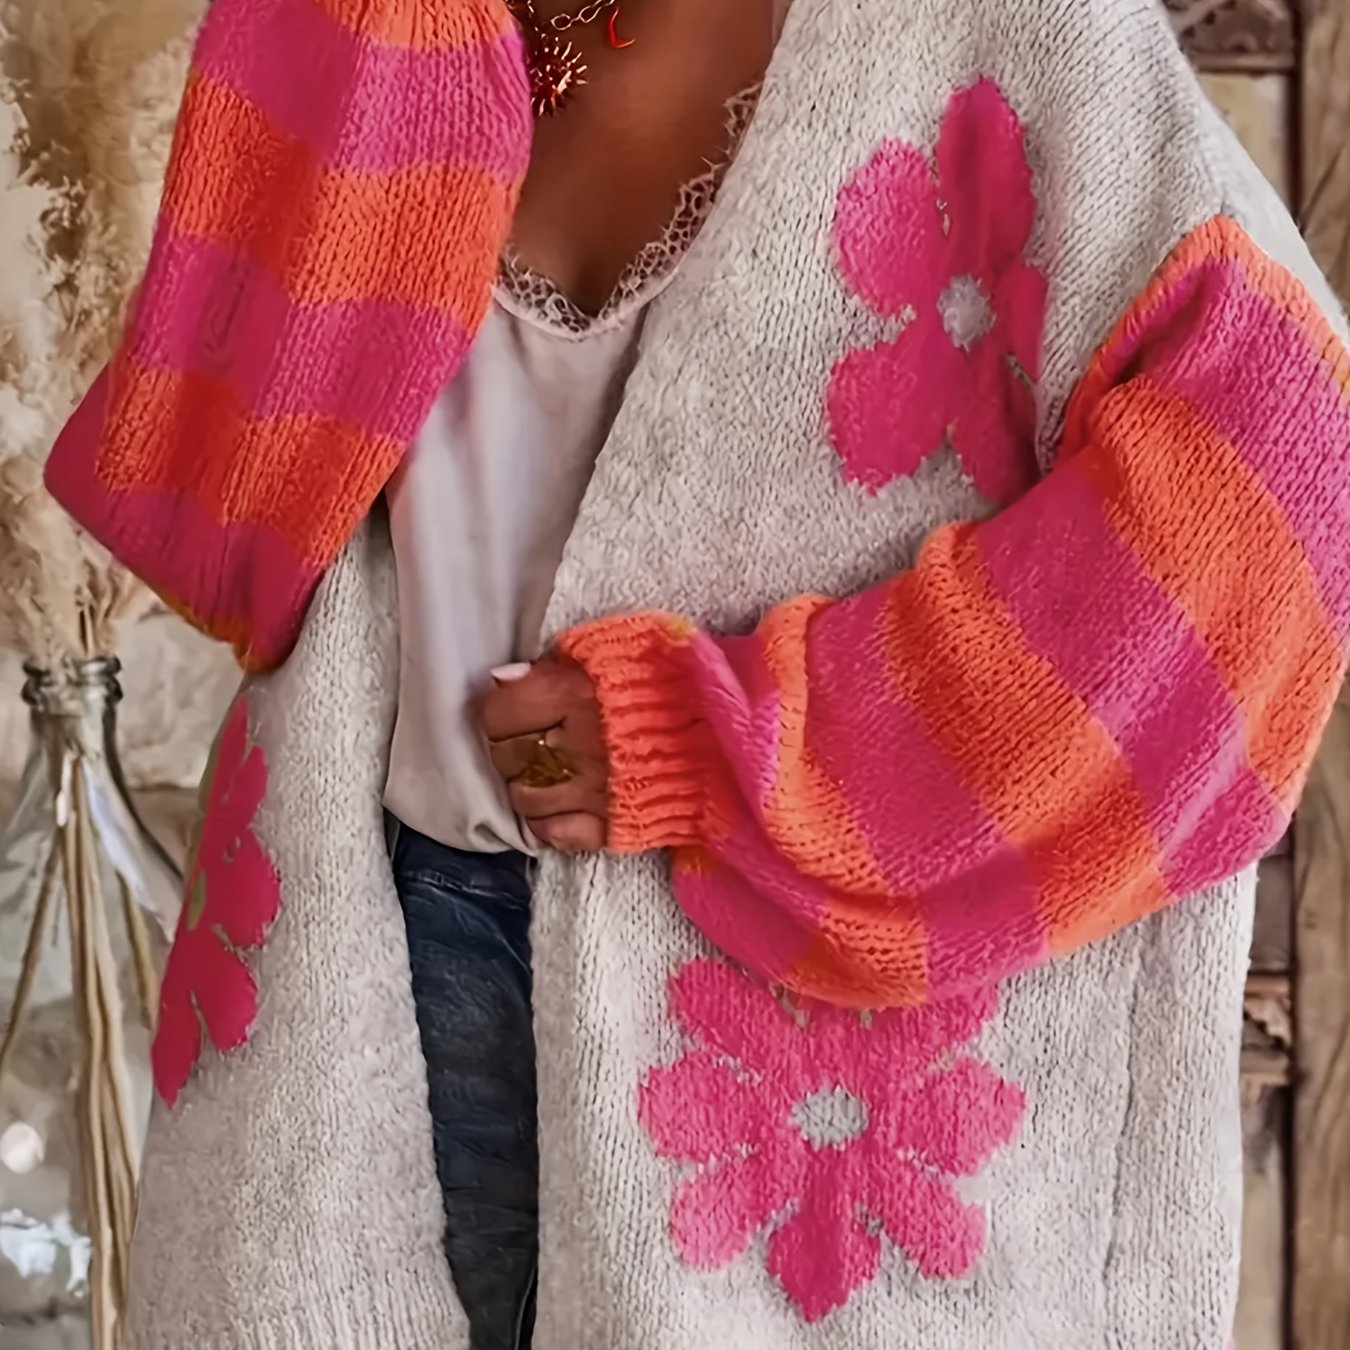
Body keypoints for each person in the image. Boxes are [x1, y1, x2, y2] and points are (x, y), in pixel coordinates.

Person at [45, 0, 1350, 1345]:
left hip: (798, 1052)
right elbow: (221, 532)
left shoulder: (1010, 30)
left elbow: (1278, 502)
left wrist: (726, 744)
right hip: (380, 959)